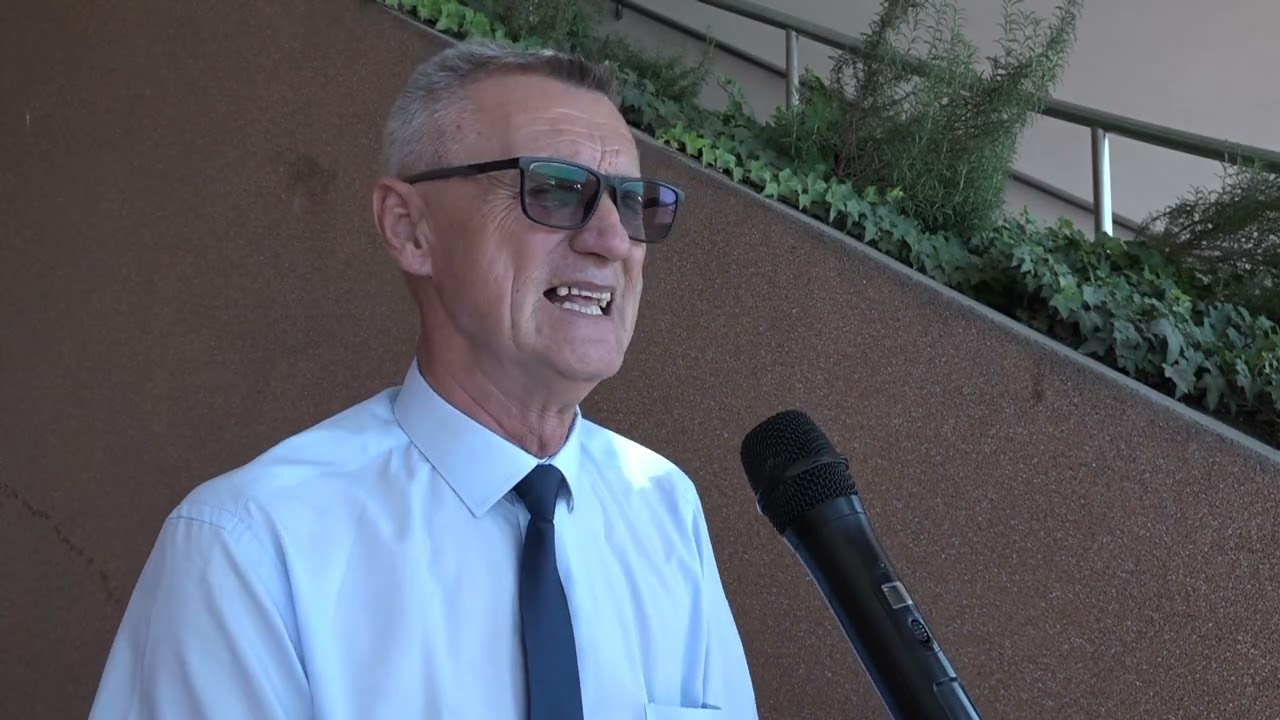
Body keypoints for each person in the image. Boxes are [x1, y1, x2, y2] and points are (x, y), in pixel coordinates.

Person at [87, 40, 758, 719]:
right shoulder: (252, 549)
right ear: (409, 228)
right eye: (556, 189)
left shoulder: (665, 511)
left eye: (634, 203)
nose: (613, 241)